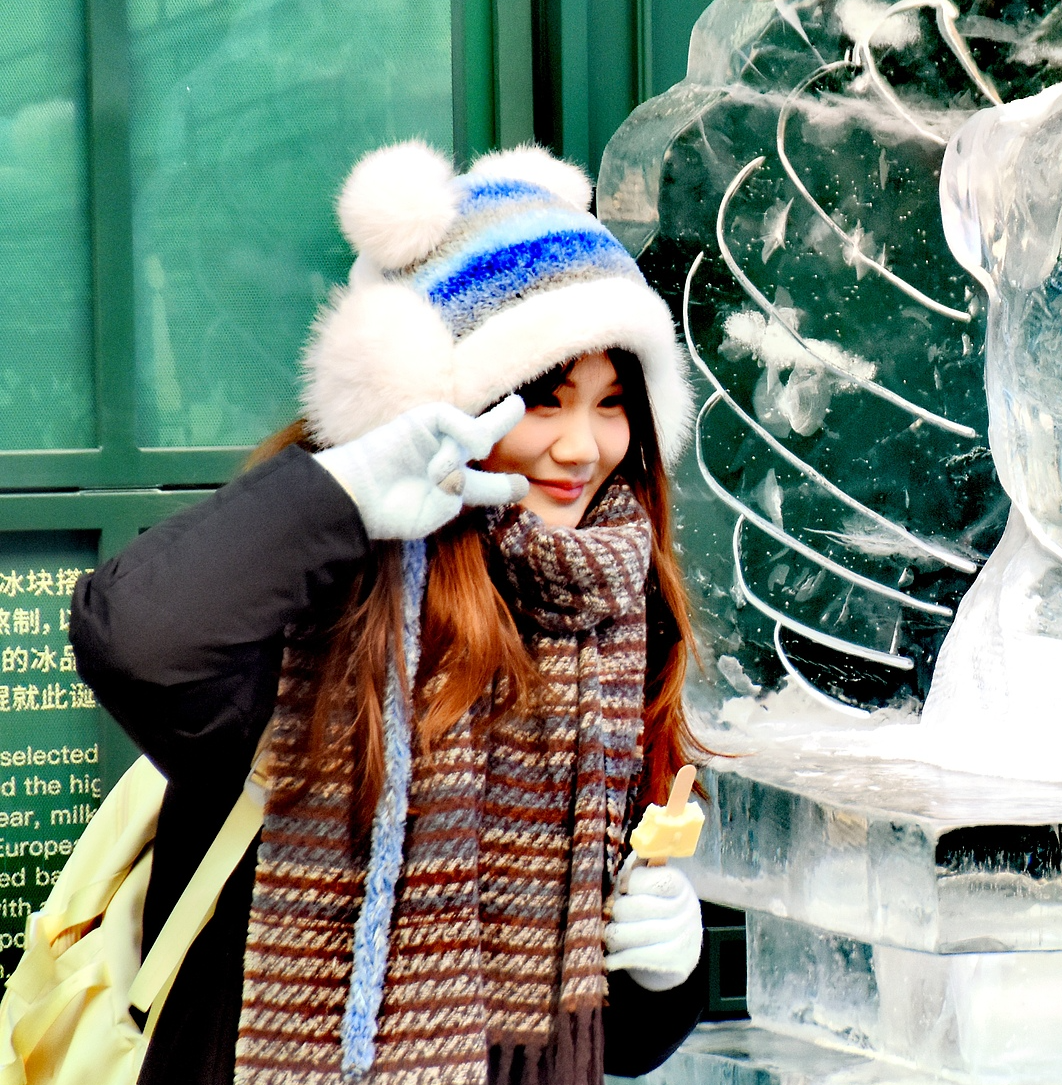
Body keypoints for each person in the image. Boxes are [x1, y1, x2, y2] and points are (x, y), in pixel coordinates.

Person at [71, 142, 708, 1085]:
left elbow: (613, 1040)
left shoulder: (612, 613)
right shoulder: (322, 597)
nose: (582, 447)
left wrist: (667, 972)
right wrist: (333, 496)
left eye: (614, 405)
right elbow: (137, 640)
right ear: (439, 392)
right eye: (542, 400)